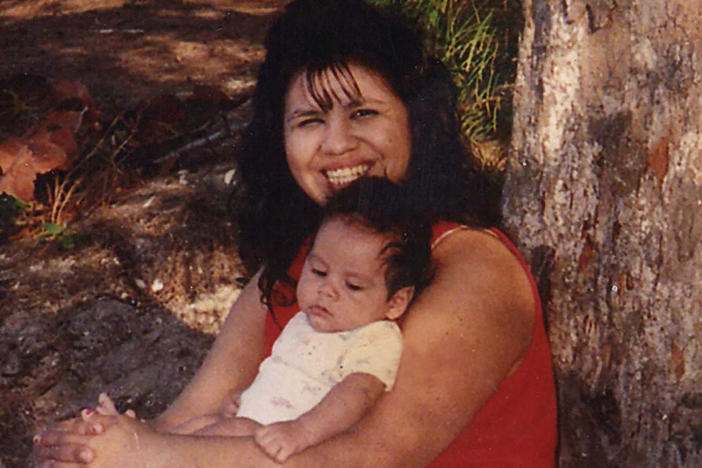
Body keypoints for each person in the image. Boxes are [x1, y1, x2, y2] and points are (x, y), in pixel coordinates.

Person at [34, 0, 557, 466]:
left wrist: (148, 453)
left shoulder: (472, 268)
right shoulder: (296, 268)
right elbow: (182, 422)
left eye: (364, 113)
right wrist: (95, 445)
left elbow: (375, 454)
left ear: (416, 122)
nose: (336, 144)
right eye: (309, 121)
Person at [105, 179, 432, 463]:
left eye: (353, 286)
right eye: (318, 271)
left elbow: (358, 394)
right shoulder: (308, 322)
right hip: (254, 424)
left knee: (206, 440)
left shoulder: (375, 337)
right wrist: (246, 400)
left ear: (396, 301)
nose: (327, 291)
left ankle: (134, 449)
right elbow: (281, 376)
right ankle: (131, 437)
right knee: (195, 428)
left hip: (284, 445)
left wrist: (301, 432)